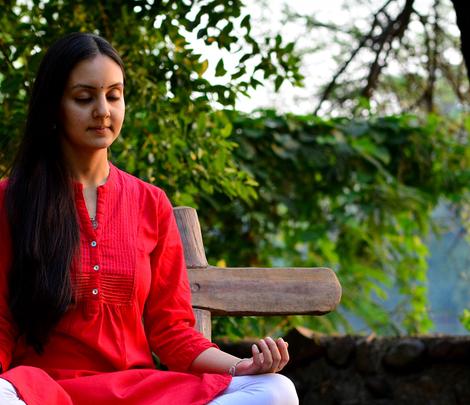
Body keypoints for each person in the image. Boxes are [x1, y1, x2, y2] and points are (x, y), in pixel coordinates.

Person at [0, 32, 299, 405]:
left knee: (275, 391)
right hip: (42, 392)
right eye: (83, 98)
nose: (103, 111)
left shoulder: (150, 203)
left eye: (114, 95)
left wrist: (241, 366)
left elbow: (172, 332)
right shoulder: (12, 198)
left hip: (138, 392)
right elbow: (2, 323)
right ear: (54, 106)